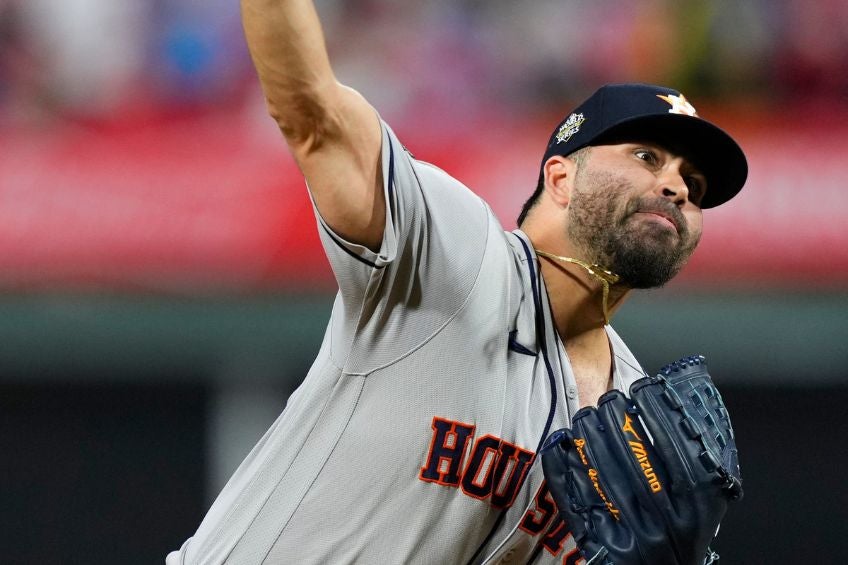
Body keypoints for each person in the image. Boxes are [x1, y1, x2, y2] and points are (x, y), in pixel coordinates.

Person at [167, 1, 747, 563]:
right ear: (562, 176)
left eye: (694, 185)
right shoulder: (452, 251)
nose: (676, 188)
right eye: (647, 157)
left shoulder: (637, 423)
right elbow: (313, 115)